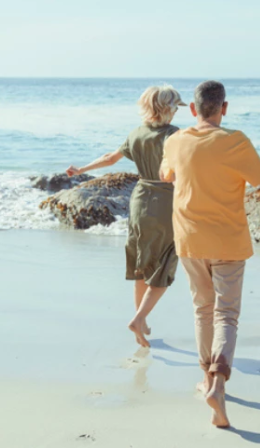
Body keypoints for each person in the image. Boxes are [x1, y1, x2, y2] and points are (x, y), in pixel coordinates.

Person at [160, 80, 260, 428]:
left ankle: (206, 380)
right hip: (228, 241)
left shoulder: (175, 140)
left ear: (192, 109)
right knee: (226, 315)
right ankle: (218, 384)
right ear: (224, 108)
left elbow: (167, 176)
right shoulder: (235, 141)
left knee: (202, 309)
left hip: (190, 240)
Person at [66, 85, 186, 348]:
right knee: (165, 264)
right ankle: (139, 318)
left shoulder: (137, 133)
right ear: (167, 108)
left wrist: (82, 169)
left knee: (141, 264)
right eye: (176, 107)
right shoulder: (175, 135)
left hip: (140, 200)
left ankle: (139, 324)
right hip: (165, 201)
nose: (177, 112)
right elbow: (184, 171)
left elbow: (111, 159)